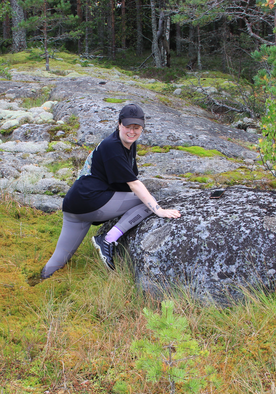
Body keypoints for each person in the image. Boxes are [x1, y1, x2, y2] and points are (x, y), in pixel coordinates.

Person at [40, 104, 181, 279]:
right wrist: (159, 210)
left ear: (142, 128)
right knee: (147, 202)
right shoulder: (112, 147)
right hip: (90, 201)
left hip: (74, 204)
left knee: (60, 258)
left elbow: (124, 180)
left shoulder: (126, 144)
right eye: (128, 126)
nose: (132, 131)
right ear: (119, 124)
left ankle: (38, 281)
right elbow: (134, 185)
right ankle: (107, 239)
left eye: (136, 127)